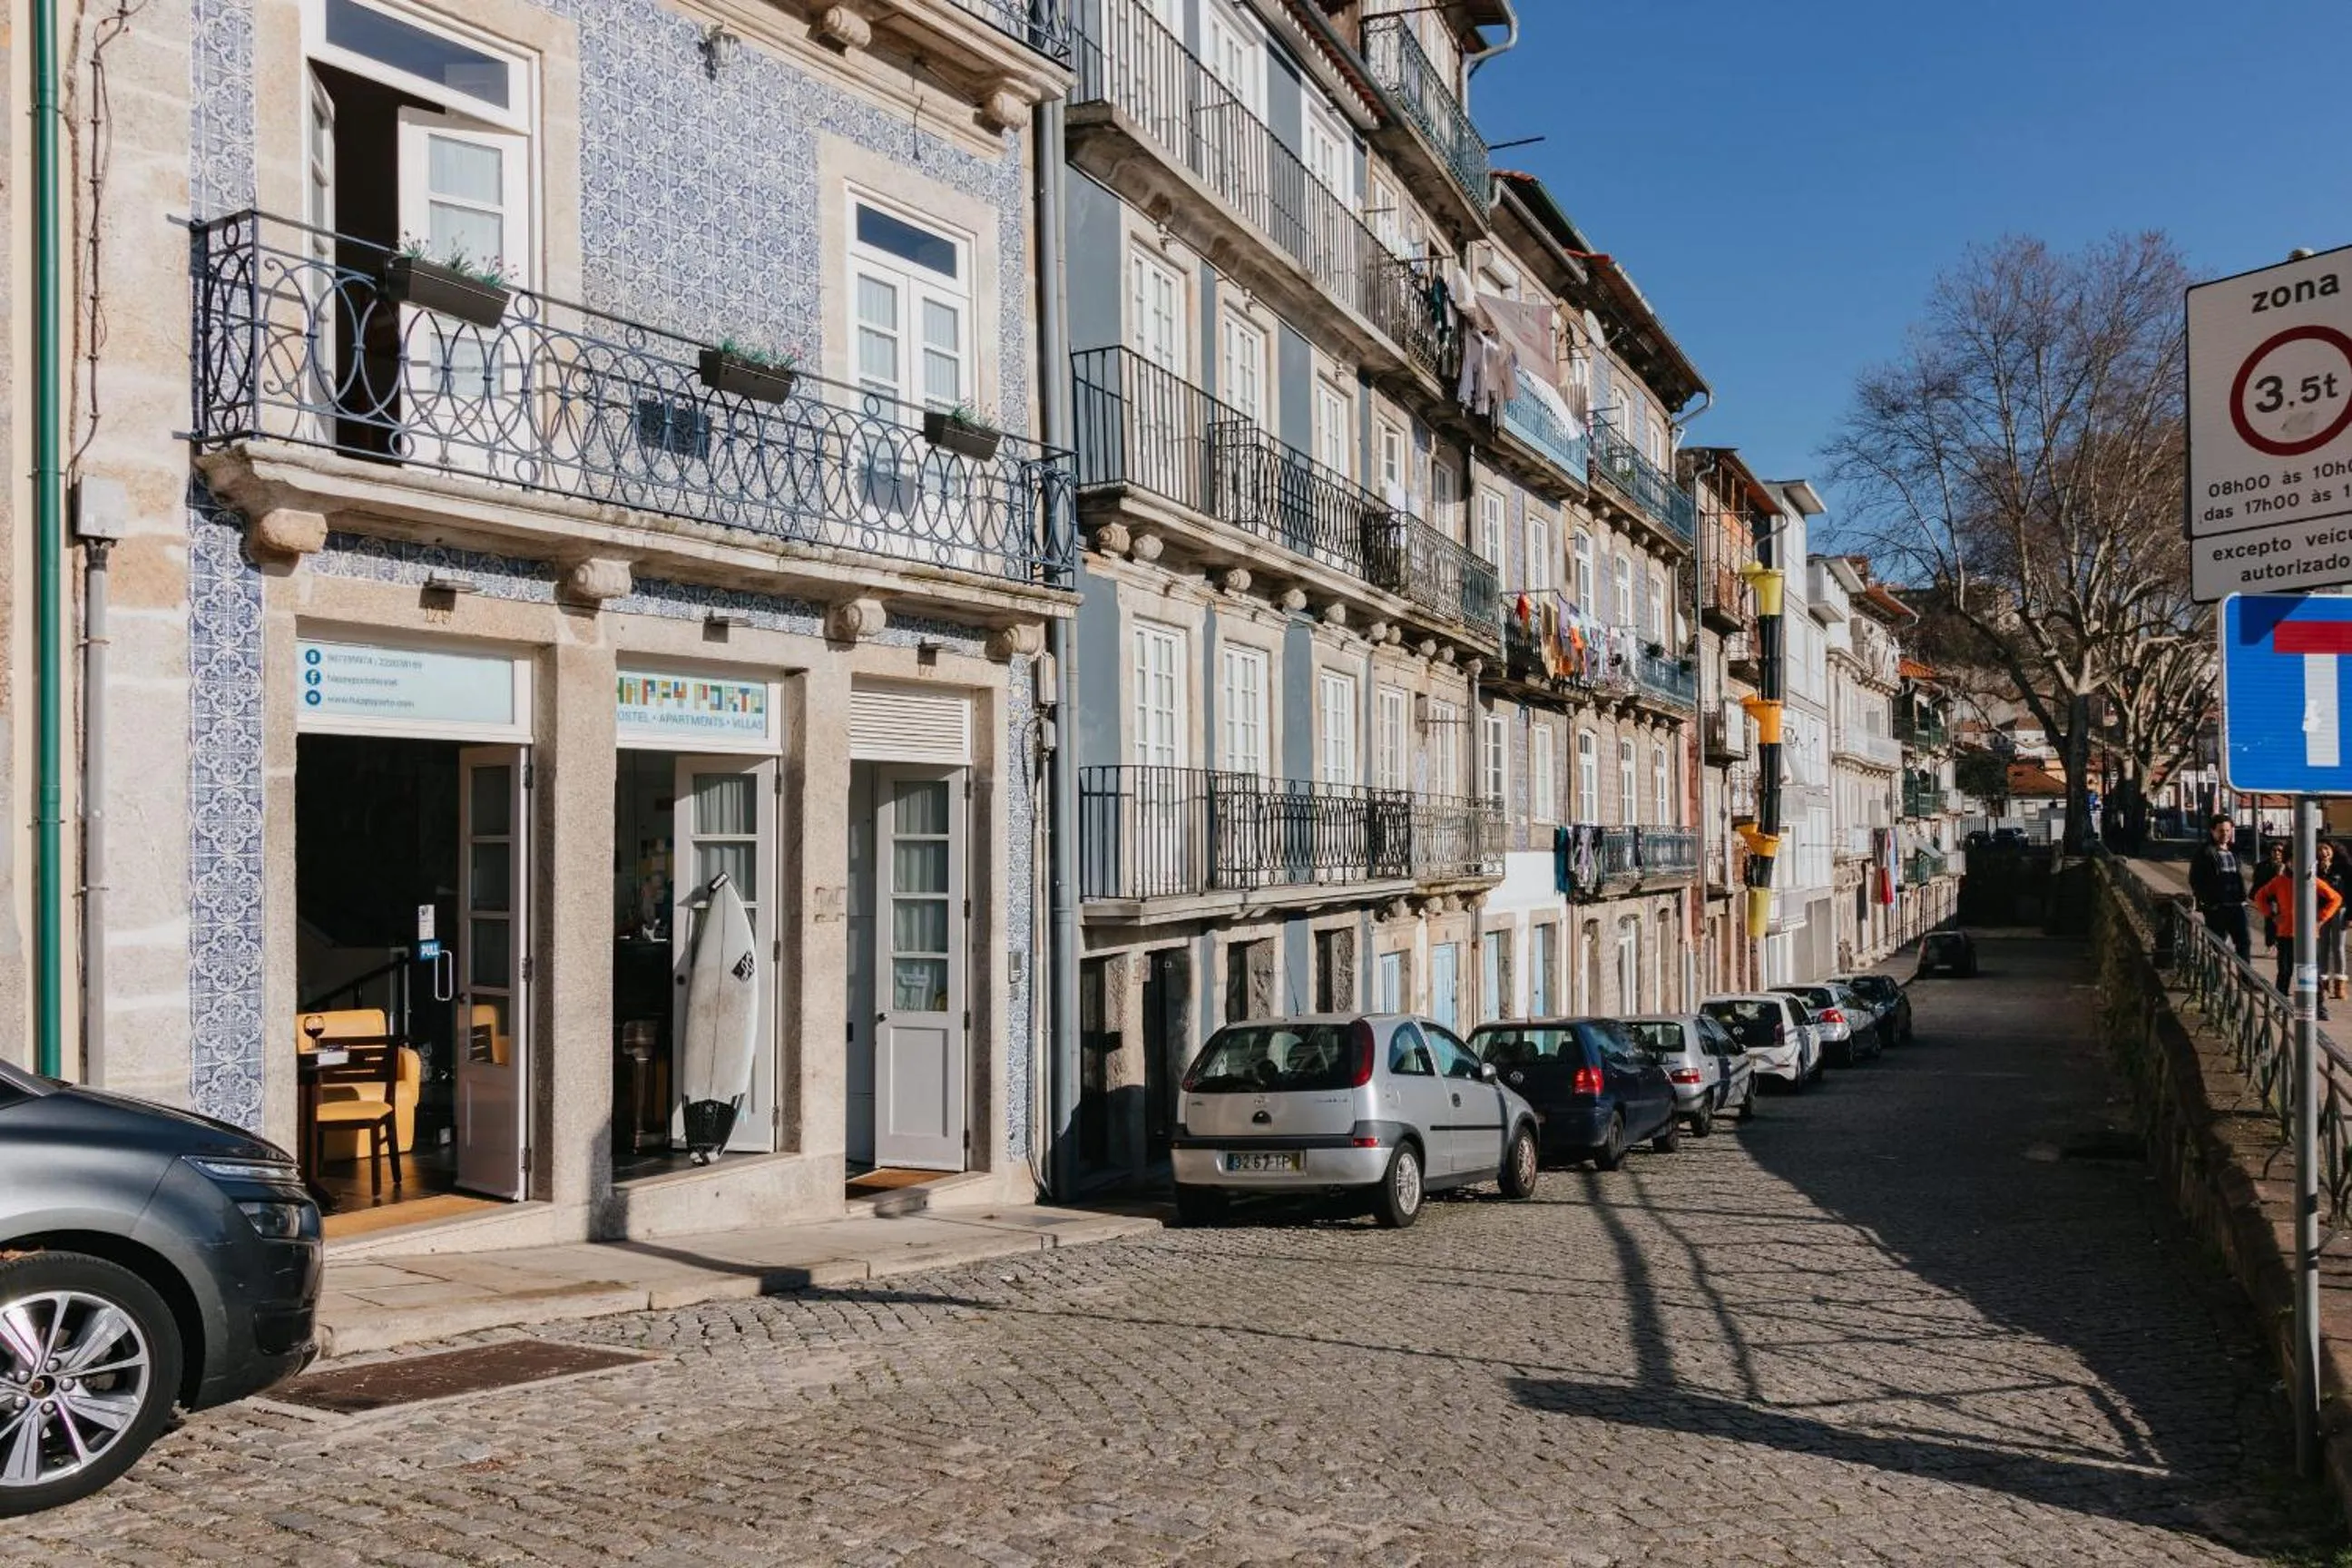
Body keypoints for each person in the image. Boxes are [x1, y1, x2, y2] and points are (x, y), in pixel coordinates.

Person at [2251, 856, 2344, 1019]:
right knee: (2285, 972)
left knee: (2311, 972)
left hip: (2308, 935)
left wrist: (2321, 918)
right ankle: (2280, 1004)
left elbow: (2335, 898)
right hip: (2286, 933)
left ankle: (2318, 1006)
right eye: (2293, 861)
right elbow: (2259, 896)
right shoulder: (2279, 881)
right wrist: (2272, 915)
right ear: (2288, 863)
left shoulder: (2313, 881)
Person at [2189, 813, 2252, 961]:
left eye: (2228, 830)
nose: (2225, 834)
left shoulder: (2234, 851)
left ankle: (2245, 982)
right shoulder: (2205, 852)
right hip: (2217, 907)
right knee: (2216, 946)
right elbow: (2195, 880)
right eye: (2221, 831)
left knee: (2244, 943)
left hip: (2237, 906)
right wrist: (2208, 903)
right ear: (2213, 831)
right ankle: (2215, 981)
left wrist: (2243, 899)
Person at [2324, 840, 2352, 1002]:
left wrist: (2350, 915)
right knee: (2322, 947)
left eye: (2326, 849)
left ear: (2334, 851)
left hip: (2340, 910)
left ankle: (2340, 985)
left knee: (2338, 947)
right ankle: (2323, 984)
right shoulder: (2316, 868)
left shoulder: (2344, 868)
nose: (2323, 853)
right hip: (2321, 912)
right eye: (2320, 849)